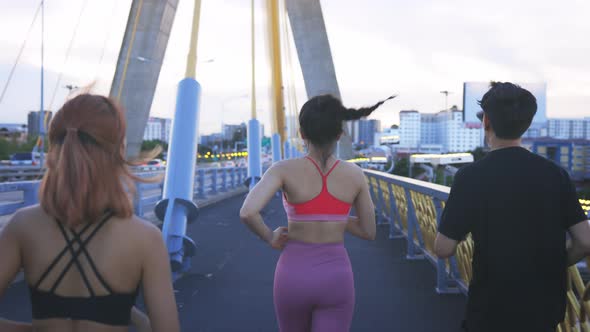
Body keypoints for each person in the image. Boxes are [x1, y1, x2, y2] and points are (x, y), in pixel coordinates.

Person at [0, 94, 180, 332]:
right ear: (119, 150)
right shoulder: (145, 238)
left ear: (55, 149)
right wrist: (130, 314)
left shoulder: (23, 225)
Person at [433, 82, 590, 332]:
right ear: (527, 124)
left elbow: (443, 248)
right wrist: (556, 262)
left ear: (486, 122)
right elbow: (584, 241)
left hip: (491, 309)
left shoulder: (470, 177)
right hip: (545, 308)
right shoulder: (556, 175)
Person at [240, 94, 395, 332]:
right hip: (336, 277)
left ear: (302, 134)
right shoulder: (355, 174)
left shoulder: (282, 170)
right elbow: (368, 231)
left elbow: (248, 212)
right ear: (339, 134)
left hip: (292, 275)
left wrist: (270, 237)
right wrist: (332, 219)